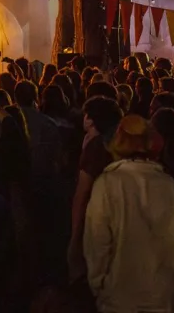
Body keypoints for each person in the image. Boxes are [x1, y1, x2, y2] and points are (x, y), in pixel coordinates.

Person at [84, 115, 174, 313]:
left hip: (119, 299)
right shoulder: (168, 185)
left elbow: (97, 242)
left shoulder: (107, 184)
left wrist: (99, 284)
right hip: (163, 297)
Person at [68, 96, 123, 280]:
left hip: (96, 220)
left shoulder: (96, 147)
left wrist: (75, 237)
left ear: (91, 120)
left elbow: (82, 193)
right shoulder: (117, 143)